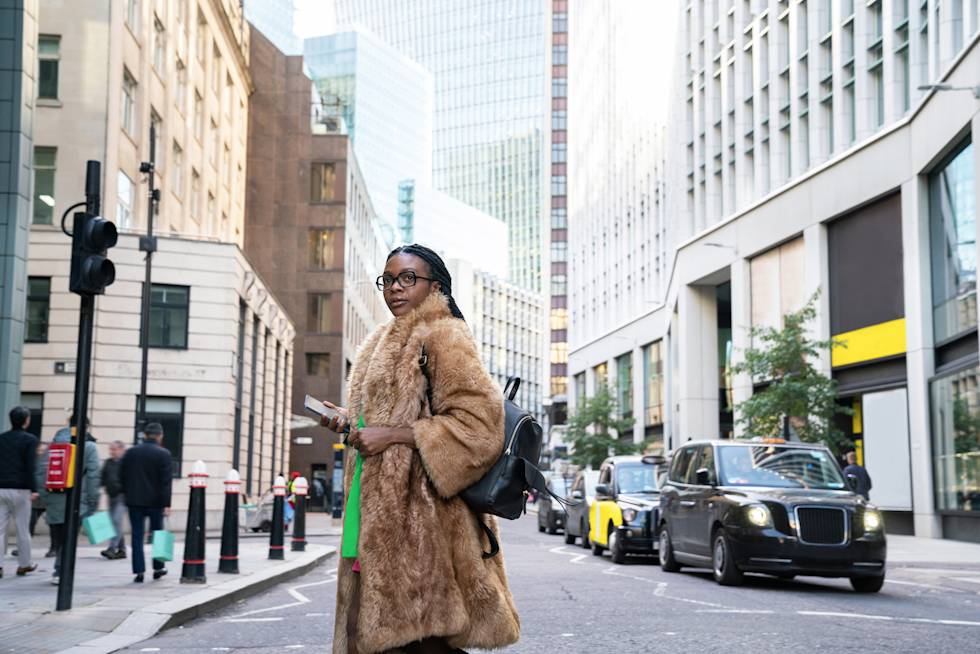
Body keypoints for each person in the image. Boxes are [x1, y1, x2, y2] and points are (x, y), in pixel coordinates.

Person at [322, 244, 519, 654]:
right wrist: (348, 418)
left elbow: (481, 428)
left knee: (412, 642)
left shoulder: (443, 336)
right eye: (389, 279)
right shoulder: (383, 339)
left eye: (408, 278)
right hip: (376, 514)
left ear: (436, 286)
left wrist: (391, 435)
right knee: (378, 637)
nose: (395, 288)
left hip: (421, 525)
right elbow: (384, 418)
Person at [42, 415, 100, 584]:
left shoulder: (53, 445)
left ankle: (59, 570)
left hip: (54, 497)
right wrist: (92, 500)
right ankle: (60, 571)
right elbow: (93, 476)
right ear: (86, 426)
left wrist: (46, 497)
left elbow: (41, 471)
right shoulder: (89, 446)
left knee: (59, 536)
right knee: (69, 537)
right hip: (77, 500)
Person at [121, 423, 172, 583]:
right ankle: (158, 568)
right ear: (160, 436)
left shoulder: (131, 453)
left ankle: (139, 571)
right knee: (157, 534)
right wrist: (166, 503)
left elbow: (122, 476)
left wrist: (128, 493)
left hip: (135, 501)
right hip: (155, 502)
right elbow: (166, 482)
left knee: (137, 535)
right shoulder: (164, 454)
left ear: (144, 435)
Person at [0, 406, 40, 577]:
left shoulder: (1, 439)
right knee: (23, 529)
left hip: (1, 488)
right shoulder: (30, 440)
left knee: (0, 530)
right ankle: (24, 564)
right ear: (26, 420)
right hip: (21, 489)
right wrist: (34, 488)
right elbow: (30, 466)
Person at [100, 440, 127, 559]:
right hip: (111, 495)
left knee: (116, 520)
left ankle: (112, 548)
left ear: (121, 450)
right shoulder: (108, 462)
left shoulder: (126, 463)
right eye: (111, 449)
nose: (112, 452)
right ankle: (122, 550)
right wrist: (104, 485)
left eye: (114, 449)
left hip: (123, 496)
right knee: (114, 522)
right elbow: (103, 476)